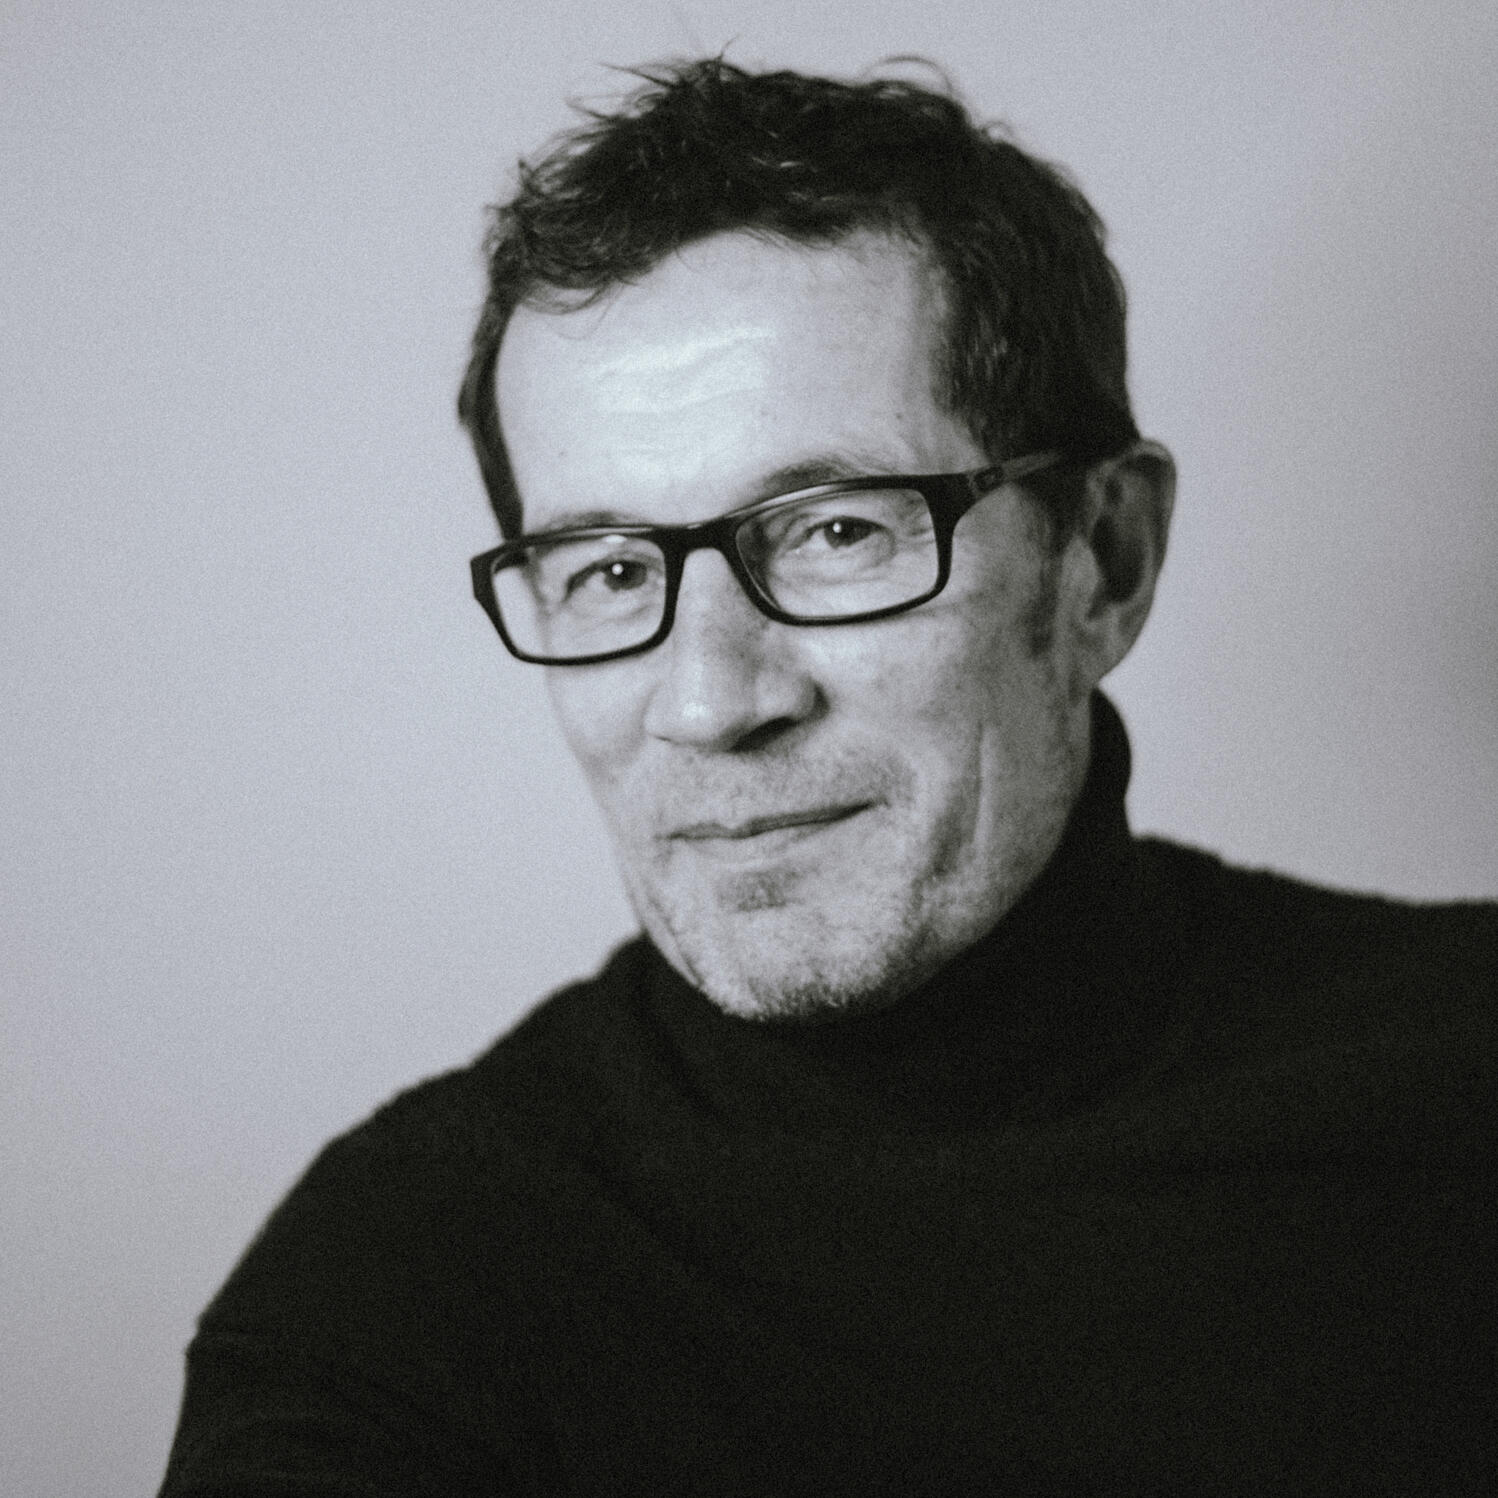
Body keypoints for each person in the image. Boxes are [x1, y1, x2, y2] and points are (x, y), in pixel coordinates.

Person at [159, 58, 1496, 1496]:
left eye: (837, 531)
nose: (709, 701)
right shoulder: (397, 1300)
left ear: (1102, 561)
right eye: (608, 571)